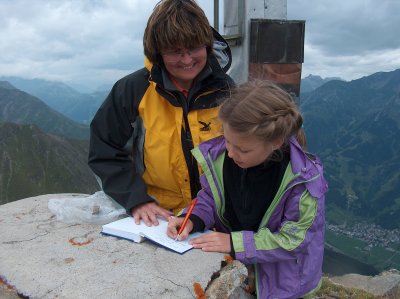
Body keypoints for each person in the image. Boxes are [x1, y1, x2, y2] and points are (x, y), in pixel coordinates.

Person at [167, 80, 328, 299]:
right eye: (227, 141)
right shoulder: (223, 158)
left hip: (282, 284)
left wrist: (234, 243)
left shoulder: (302, 180)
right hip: (239, 266)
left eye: (242, 149)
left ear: (276, 141)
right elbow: (209, 198)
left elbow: (294, 240)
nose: (231, 153)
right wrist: (192, 218)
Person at [88, 0, 234, 226]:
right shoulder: (132, 91)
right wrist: (136, 200)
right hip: (157, 218)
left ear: (207, 44)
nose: (187, 60)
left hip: (218, 216)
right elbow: (104, 150)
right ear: (158, 52)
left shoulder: (227, 90)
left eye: (194, 48)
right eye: (175, 51)